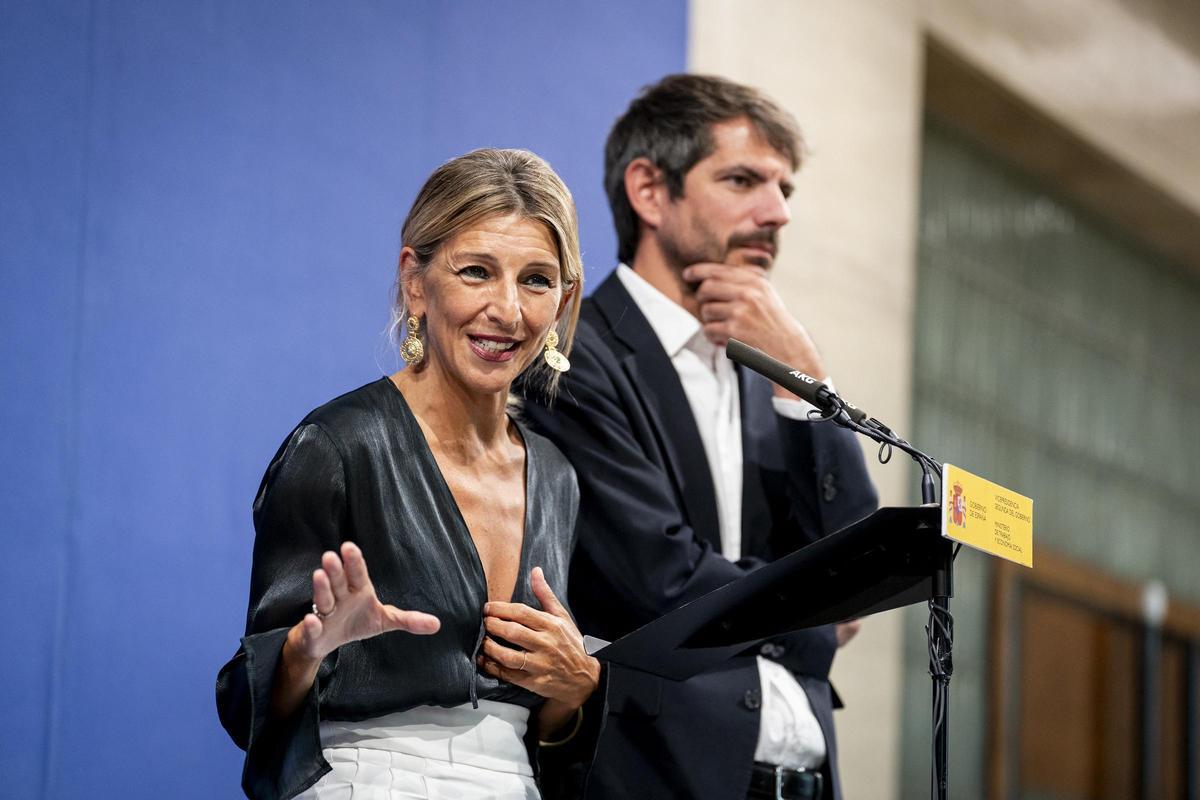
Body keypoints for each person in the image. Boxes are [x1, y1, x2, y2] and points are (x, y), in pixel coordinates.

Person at [519, 74, 878, 800]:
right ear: (650, 191)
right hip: (656, 771)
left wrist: (805, 381)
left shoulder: (767, 370)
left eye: (786, 190)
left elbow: (860, 563)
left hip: (802, 777)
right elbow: (663, 578)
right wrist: (816, 617)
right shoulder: (571, 353)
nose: (776, 213)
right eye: (744, 179)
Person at [216, 148, 603, 800]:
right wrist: (307, 651)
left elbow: (546, 734)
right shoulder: (338, 446)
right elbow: (242, 705)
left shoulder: (558, 477)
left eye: (536, 280)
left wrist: (576, 689)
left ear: (565, 300)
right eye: (477, 271)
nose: (507, 310)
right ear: (415, 282)